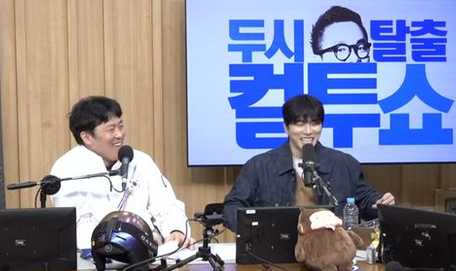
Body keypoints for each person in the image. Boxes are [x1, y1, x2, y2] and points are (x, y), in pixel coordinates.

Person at [223, 94, 395, 232]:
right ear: (286, 127)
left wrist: (380, 203)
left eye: (315, 124)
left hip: (332, 250)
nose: (308, 131)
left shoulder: (343, 163)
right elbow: (232, 207)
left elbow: (366, 201)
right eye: (300, 124)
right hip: (275, 250)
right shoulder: (259, 166)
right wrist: (257, 229)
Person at [50, 96, 194, 251]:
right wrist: (133, 240)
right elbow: (80, 229)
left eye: (121, 126)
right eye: (111, 129)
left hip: (151, 253)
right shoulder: (66, 169)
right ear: (87, 137)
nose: (119, 134)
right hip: (96, 258)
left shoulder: (140, 161)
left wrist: (176, 231)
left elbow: (166, 205)